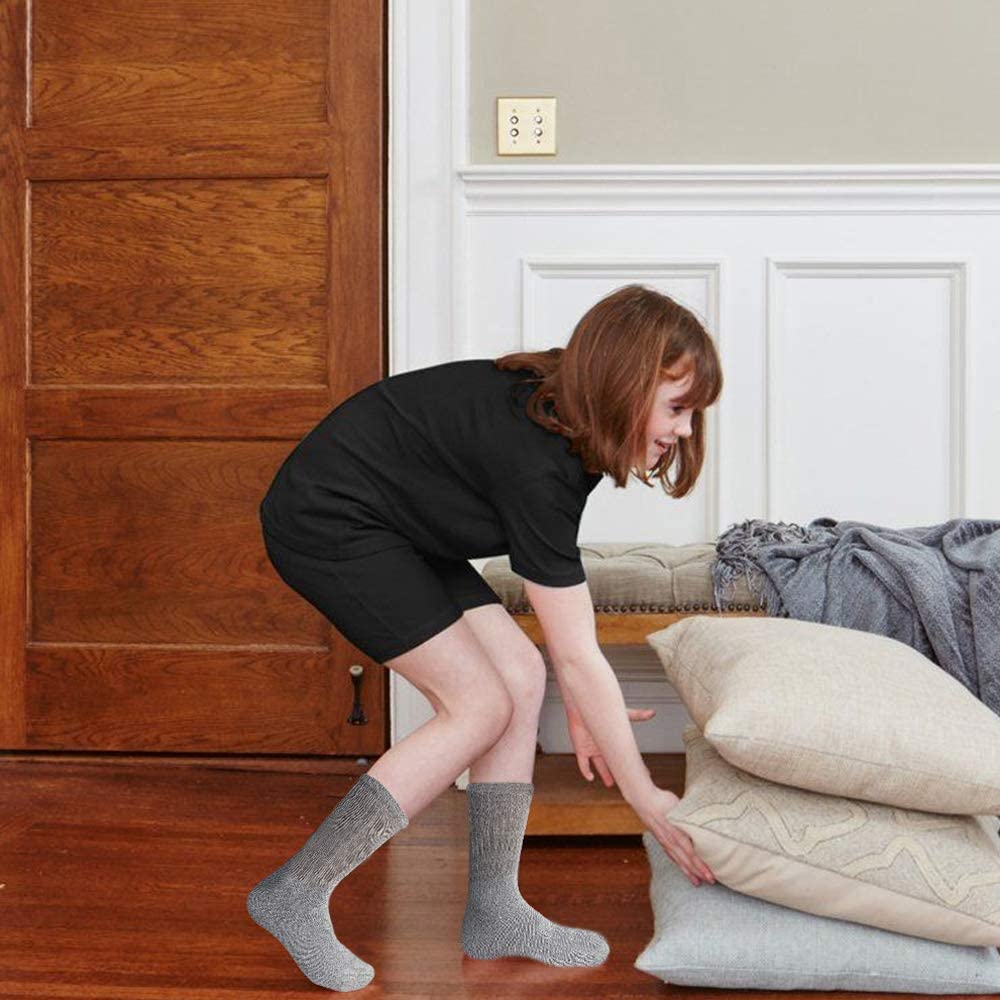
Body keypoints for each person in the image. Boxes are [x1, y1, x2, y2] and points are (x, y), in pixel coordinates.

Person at [246, 283, 723, 991]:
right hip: (330, 519)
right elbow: (577, 651)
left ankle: (495, 911)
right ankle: (296, 891)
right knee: (478, 705)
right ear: (625, 384)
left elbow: (566, 647)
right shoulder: (540, 464)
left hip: (401, 522)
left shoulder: (571, 419)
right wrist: (647, 798)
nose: (684, 430)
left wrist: (588, 703)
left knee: (521, 678)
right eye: (677, 408)